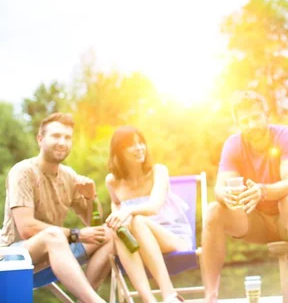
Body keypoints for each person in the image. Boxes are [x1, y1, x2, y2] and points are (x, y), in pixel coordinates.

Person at [202, 90, 288, 303]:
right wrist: (225, 195)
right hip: (256, 222)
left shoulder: (286, 136)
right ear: (238, 124)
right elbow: (219, 188)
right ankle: (210, 297)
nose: (252, 125)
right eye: (245, 121)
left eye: (256, 117)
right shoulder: (233, 144)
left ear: (267, 116)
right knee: (213, 210)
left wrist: (262, 191)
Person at [0, 113, 113, 303]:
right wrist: (77, 235)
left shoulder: (68, 176)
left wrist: (91, 198)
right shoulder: (23, 172)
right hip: (12, 258)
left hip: (55, 254)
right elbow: (27, 229)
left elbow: (93, 224)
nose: (62, 142)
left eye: (67, 137)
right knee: (54, 236)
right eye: (56, 136)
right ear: (40, 139)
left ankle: (86, 300)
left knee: (109, 234)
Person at [104, 126, 192, 303]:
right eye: (131, 145)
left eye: (141, 143)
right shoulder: (112, 181)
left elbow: (153, 207)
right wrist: (116, 217)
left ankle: (169, 294)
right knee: (120, 229)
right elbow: (116, 211)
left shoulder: (158, 171)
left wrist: (126, 212)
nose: (139, 148)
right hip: (137, 244)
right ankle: (148, 300)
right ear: (118, 152)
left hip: (173, 238)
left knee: (137, 221)